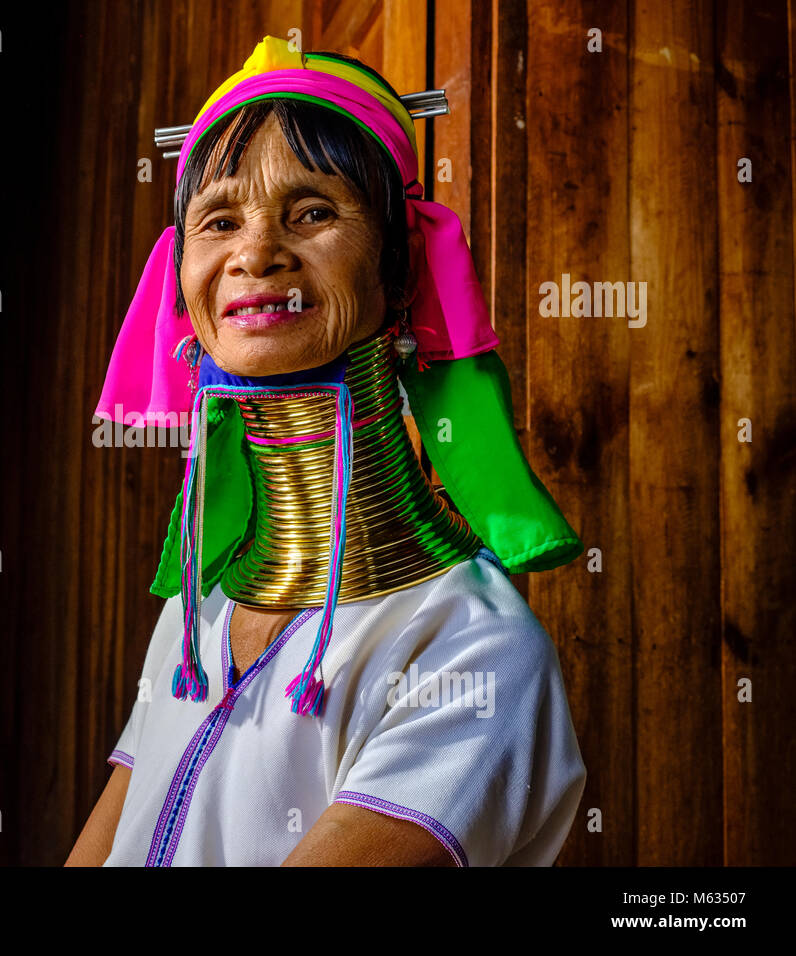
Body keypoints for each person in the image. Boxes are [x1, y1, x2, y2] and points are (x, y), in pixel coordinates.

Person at [66, 36, 586, 867]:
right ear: (181, 277)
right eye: (220, 220)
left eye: (312, 212)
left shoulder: (470, 646)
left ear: (399, 268)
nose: (256, 253)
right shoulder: (199, 606)